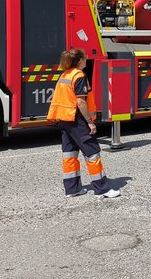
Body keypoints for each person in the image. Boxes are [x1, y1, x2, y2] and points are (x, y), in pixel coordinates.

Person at [47, 48, 121, 198]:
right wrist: (90, 122)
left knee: (69, 154)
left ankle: (72, 189)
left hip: (64, 119)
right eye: (85, 57)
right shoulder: (79, 76)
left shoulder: (65, 74)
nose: (87, 59)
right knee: (92, 153)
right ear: (80, 60)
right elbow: (81, 102)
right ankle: (102, 189)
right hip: (77, 119)